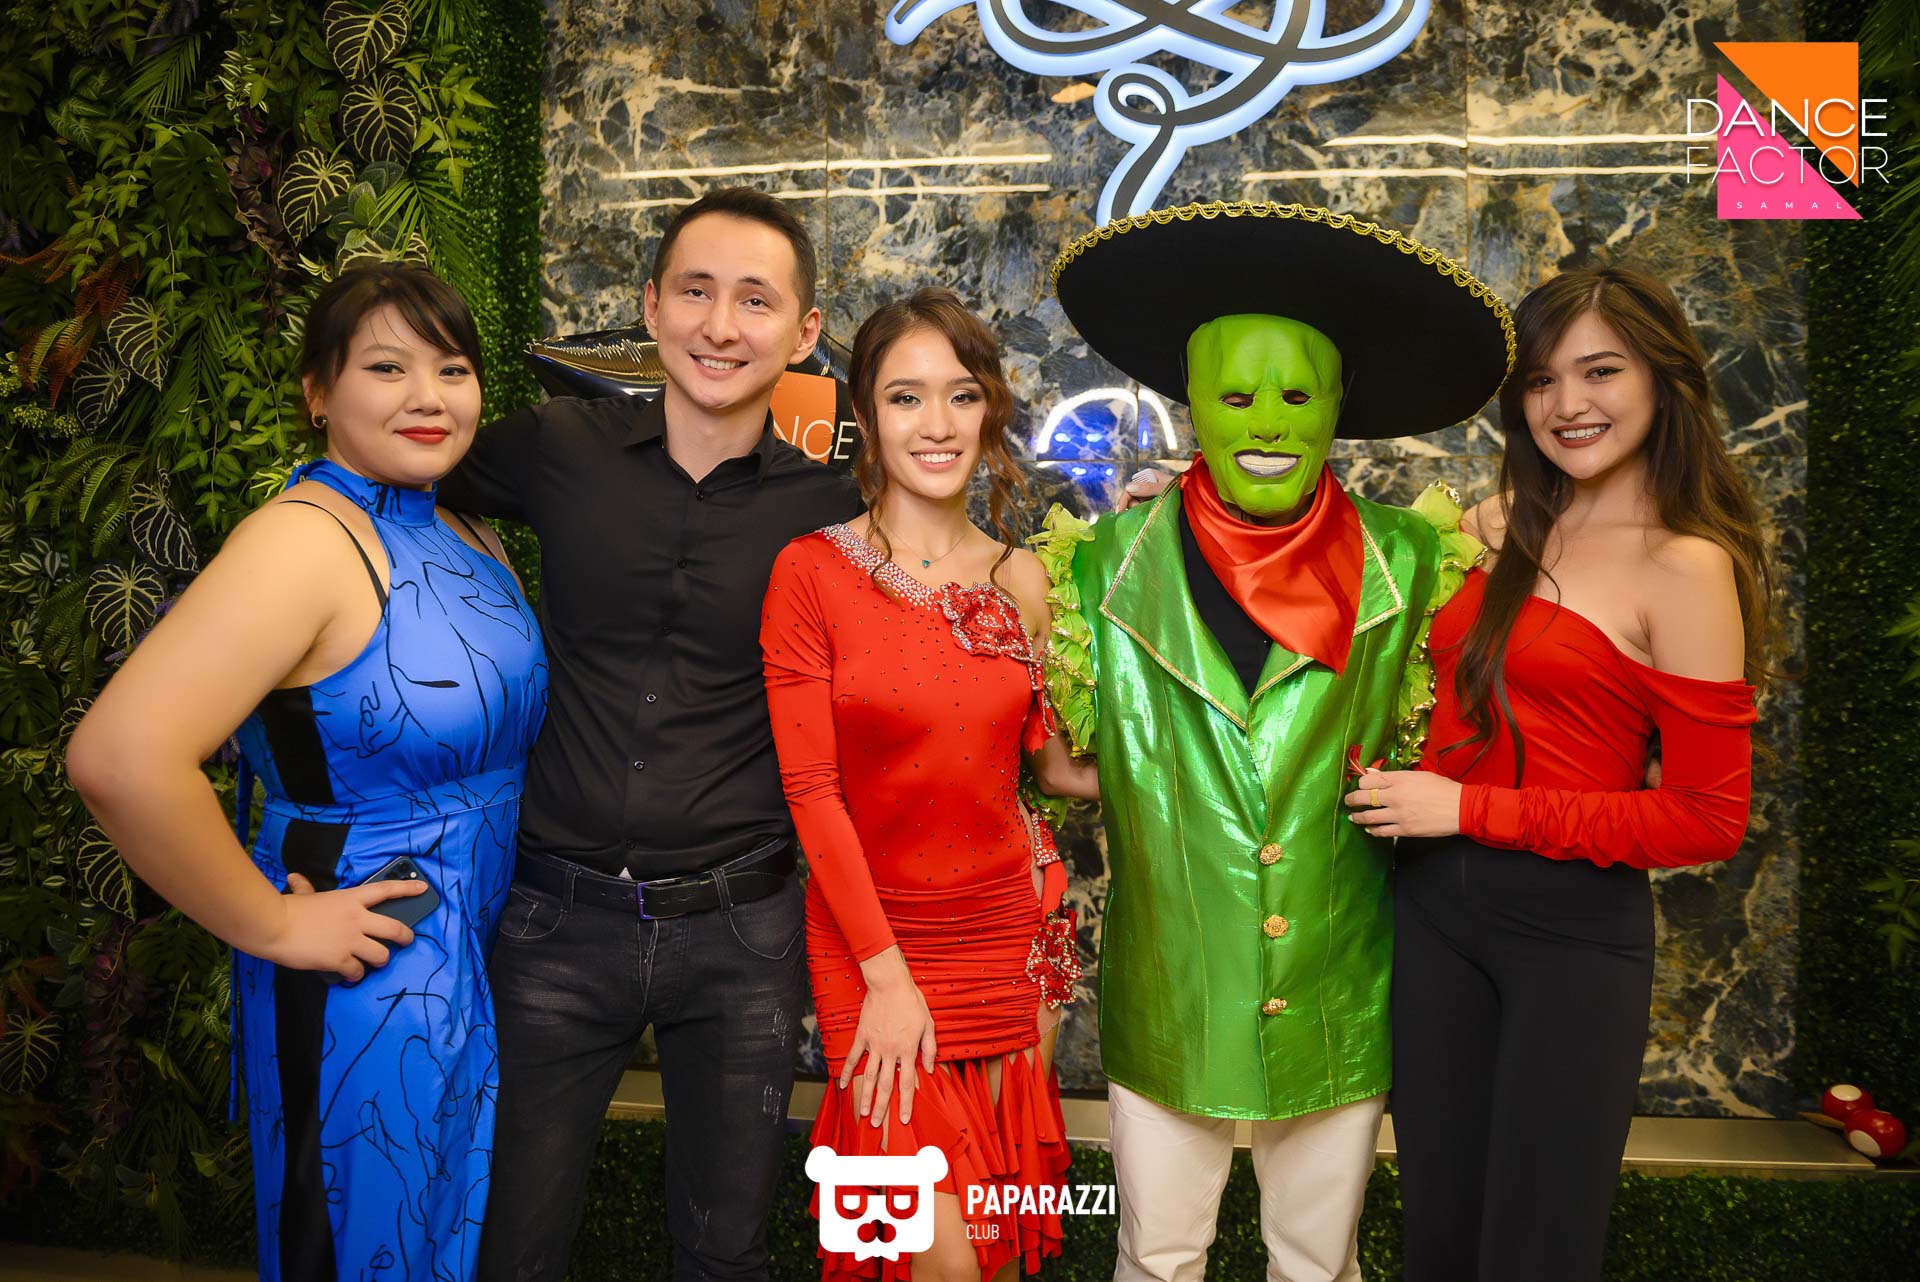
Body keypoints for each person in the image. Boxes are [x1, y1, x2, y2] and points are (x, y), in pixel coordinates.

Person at [1035, 201, 1504, 1282]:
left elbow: (1490, 728)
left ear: (1341, 403)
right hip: (1173, 986)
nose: (1268, 423)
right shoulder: (1097, 567)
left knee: (1318, 1261)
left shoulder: (1416, 560)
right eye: (1237, 394)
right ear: (1190, 401)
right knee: (1157, 1256)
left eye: (1297, 395)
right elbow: (1057, 760)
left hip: (1339, 986)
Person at [66, 264, 547, 1282]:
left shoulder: (460, 523)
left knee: (452, 1239)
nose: (428, 396)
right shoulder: (301, 542)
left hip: (477, 946)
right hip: (369, 962)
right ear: (318, 392)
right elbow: (119, 757)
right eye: (387, 368)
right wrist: (276, 925)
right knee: (367, 1247)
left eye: (452, 369)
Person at [432, 187, 864, 1282]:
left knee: (724, 1253)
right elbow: (403, 468)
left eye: (756, 300)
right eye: (696, 292)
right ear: (651, 307)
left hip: (742, 934)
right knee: (512, 1248)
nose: (721, 325)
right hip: (555, 924)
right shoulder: (558, 447)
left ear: (804, 333)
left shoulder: (830, 512)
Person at [1343, 265, 1770, 1282]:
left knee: (1536, 1249)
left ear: (1663, 378)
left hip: (1567, 939)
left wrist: (1467, 809)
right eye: (1540, 379)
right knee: (1437, 1234)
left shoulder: (1687, 564)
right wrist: (1179, 522)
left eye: (1600, 371)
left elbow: (1705, 820)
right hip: (1428, 917)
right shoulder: (1496, 528)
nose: (1567, 403)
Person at [761, 288, 1099, 1281]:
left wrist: (1202, 753)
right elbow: (811, 791)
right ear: (865, 415)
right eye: (906, 397)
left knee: (987, 1249)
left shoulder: (1024, 579)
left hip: (1011, 932)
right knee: (930, 1254)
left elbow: (1051, 769)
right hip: (876, 945)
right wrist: (886, 977)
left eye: (961, 394)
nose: (937, 423)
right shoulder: (811, 574)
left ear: (990, 409)